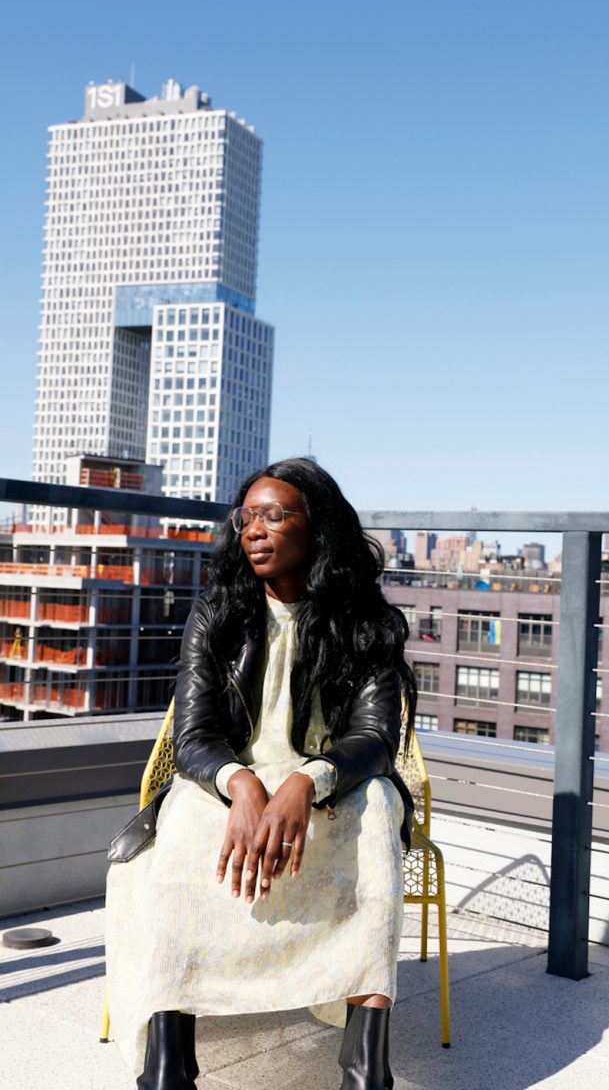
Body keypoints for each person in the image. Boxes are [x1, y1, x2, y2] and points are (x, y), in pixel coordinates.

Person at [105, 458, 417, 1090]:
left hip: (331, 783)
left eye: (275, 515)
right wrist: (241, 783)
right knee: (185, 820)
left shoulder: (367, 621)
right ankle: (167, 1062)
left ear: (318, 528)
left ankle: (365, 1067)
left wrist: (308, 781)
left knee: (381, 805)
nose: (254, 530)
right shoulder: (216, 616)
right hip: (226, 779)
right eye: (247, 517)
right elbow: (193, 737)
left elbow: (377, 738)